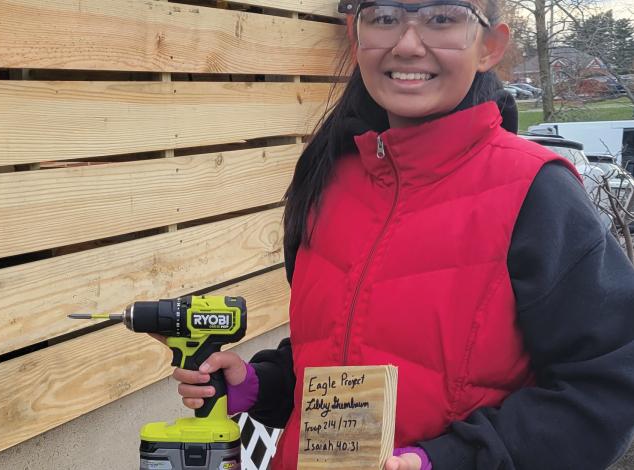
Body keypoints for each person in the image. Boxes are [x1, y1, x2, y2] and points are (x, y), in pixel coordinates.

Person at [170, 0, 634, 468]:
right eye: (386, 18)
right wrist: (260, 383)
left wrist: (448, 460)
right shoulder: (328, 178)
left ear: (490, 46)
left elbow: (607, 388)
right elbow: (338, 351)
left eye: (442, 18)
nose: (408, 45)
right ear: (357, 38)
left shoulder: (537, 192)